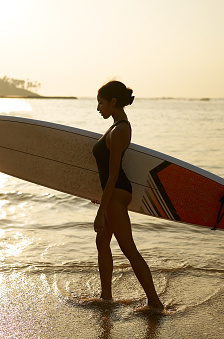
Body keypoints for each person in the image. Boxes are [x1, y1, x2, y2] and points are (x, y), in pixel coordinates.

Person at [92, 81, 165, 312]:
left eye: (101, 103)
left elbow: (113, 176)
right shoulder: (117, 127)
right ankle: (106, 298)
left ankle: (155, 303)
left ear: (113, 102)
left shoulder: (120, 130)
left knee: (128, 248)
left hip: (116, 193)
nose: (98, 108)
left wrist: (100, 212)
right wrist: (101, 197)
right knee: (102, 242)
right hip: (113, 193)